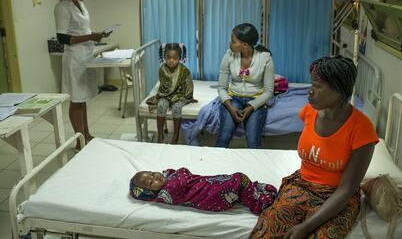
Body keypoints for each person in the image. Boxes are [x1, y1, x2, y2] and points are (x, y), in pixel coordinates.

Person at [250, 56, 379, 239]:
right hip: (301, 185)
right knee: (268, 230)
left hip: (337, 197)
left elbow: (346, 189)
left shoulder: (362, 128)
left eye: (317, 86)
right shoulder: (309, 112)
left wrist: (305, 226)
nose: (310, 92)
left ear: (339, 90)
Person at [54, 0, 110, 150]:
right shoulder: (62, 7)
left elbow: (83, 30)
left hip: (86, 55)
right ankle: (79, 140)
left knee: (83, 99)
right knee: (76, 100)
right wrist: (90, 36)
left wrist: (97, 35)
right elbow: (63, 38)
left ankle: (86, 134)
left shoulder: (80, 4)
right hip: (74, 58)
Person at [215, 23, 275, 148]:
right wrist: (230, 107)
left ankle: (254, 168)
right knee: (223, 139)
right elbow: (221, 87)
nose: (229, 44)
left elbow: (269, 91)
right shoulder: (228, 56)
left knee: (253, 143)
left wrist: (252, 107)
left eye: (233, 41)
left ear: (244, 45)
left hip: (256, 100)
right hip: (233, 99)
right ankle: (216, 166)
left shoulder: (265, 58)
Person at [129, 167, 278, 215]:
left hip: (207, 186)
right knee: (239, 179)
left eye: (153, 174)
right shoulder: (166, 193)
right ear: (149, 192)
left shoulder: (167, 181)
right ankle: (259, 204)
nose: (156, 177)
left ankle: (249, 194)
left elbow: (181, 176)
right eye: (151, 182)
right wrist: (178, 171)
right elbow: (183, 176)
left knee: (234, 183)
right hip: (211, 197)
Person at [146, 43, 196, 144]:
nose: (171, 60)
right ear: (164, 57)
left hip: (181, 95)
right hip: (165, 95)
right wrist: (168, 95)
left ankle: (176, 135)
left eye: (175, 58)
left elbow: (189, 86)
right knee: (161, 106)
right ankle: (160, 135)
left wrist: (182, 96)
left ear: (179, 58)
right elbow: (164, 87)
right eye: (168, 58)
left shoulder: (184, 70)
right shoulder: (162, 70)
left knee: (176, 108)